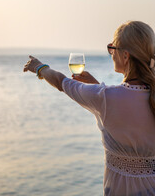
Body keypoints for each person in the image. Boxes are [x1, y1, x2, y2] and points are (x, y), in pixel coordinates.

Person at [23, 20, 155, 196]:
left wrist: (39, 67)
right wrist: (95, 86)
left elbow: (61, 82)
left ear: (125, 56)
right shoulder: (109, 97)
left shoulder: (105, 98)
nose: (111, 54)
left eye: (112, 48)